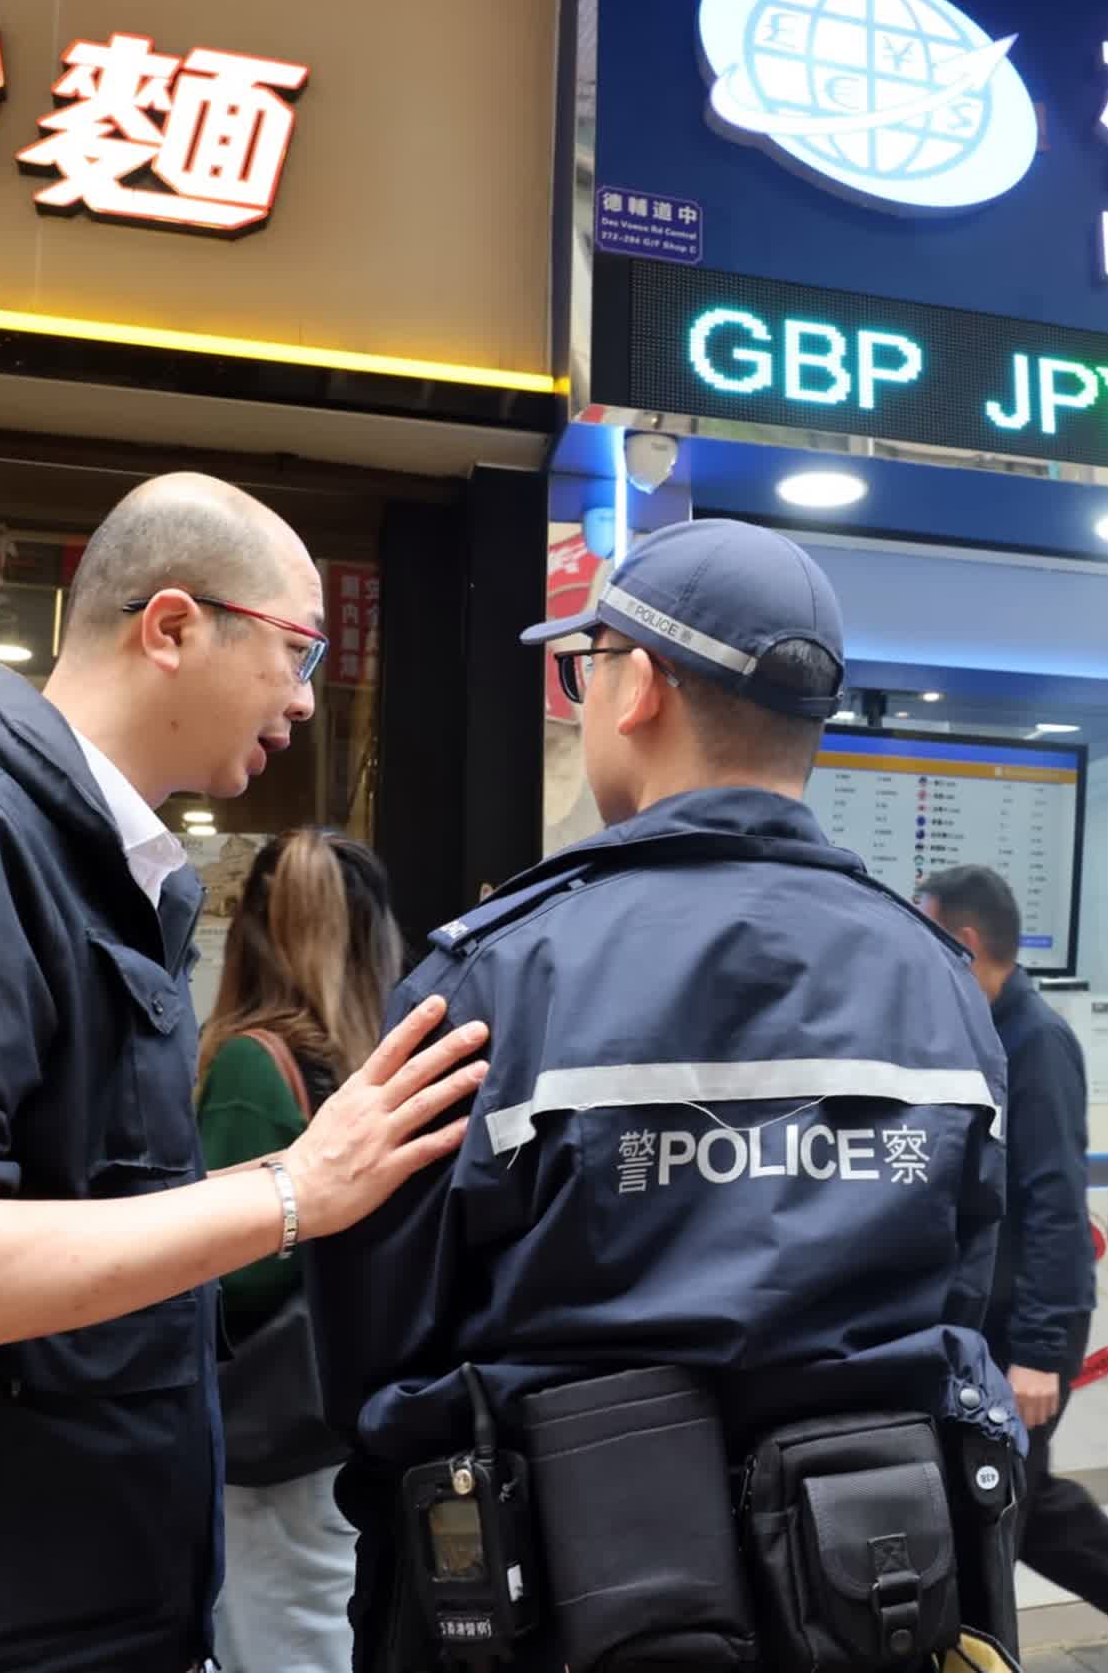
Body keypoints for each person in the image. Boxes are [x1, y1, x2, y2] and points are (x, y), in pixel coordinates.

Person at [0, 473, 491, 1673]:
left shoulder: (94, 872)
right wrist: (291, 1190)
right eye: (298, 649)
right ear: (171, 625)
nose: (306, 695)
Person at [310, 517, 1020, 1670]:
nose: (582, 697)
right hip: (874, 1598)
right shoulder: (940, 983)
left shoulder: (491, 978)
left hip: (560, 1612)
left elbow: (371, 1354)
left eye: (582, 667)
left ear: (637, 683)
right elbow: (964, 1292)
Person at [921, 866, 1108, 1673]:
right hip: (993, 1317)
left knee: (992, 1511)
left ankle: (984, 1654)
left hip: (1028, 1320)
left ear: (966, 943)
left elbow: (1056, 1203)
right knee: (1023, 1497)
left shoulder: (1037, 1043)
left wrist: (1040, 1351)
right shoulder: (984, 1033)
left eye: (928, 939)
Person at [196, 827, 406, 1672]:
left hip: (273, 1444)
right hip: (343, 1419)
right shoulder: (374, 1072)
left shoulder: (252, 1066)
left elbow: (228, 1272)